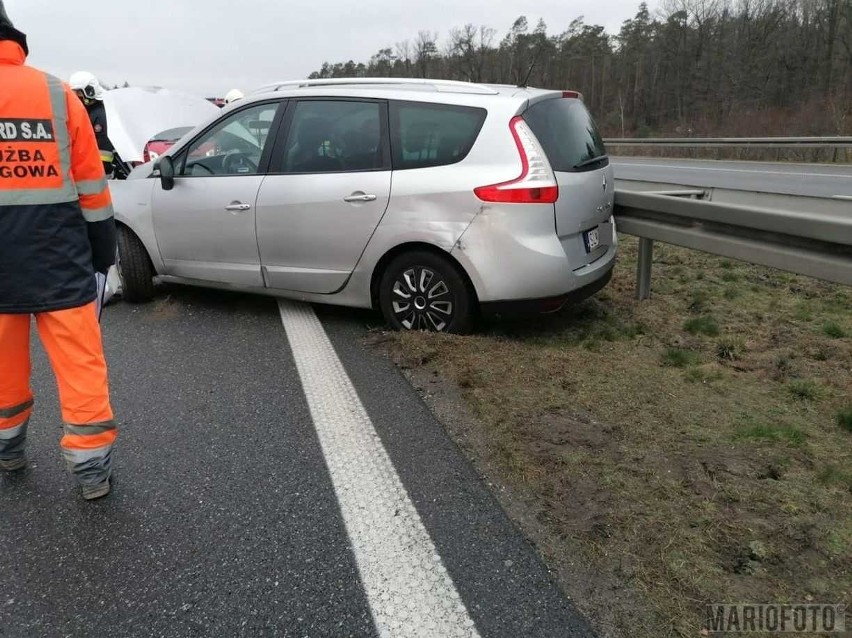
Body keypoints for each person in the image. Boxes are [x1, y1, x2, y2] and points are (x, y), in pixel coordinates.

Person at [0, 1, 118, 500]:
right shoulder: (55, 91)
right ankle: (91, 471)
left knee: (3, 364)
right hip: (58, 253)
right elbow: (91, 182)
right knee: (79, 363)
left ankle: (8, 450)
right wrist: (101, 254)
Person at [69, 70, 115, 176]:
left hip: (99, 171)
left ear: (89, 91)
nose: (76, 96)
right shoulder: (87, 111)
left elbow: (103, 145)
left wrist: (102, 168)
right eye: (74, 93)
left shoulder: (99, 113)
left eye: (79, 92)